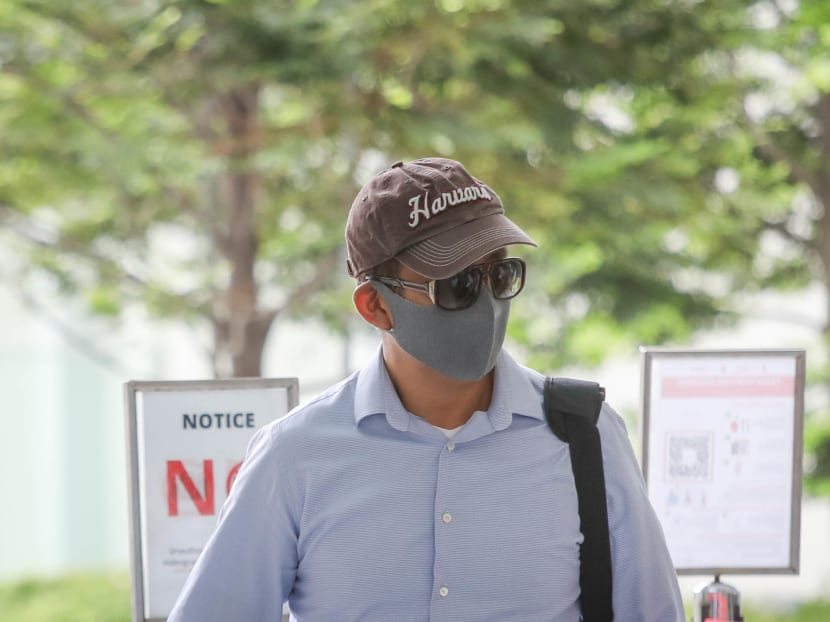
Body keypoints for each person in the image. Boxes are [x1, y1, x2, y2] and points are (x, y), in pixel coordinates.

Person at [167, 157, 685, 621]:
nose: (487, 303)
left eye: (500, 275)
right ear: (375, 305)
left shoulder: (587, 438)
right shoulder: (295, 455)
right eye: (456, 284)